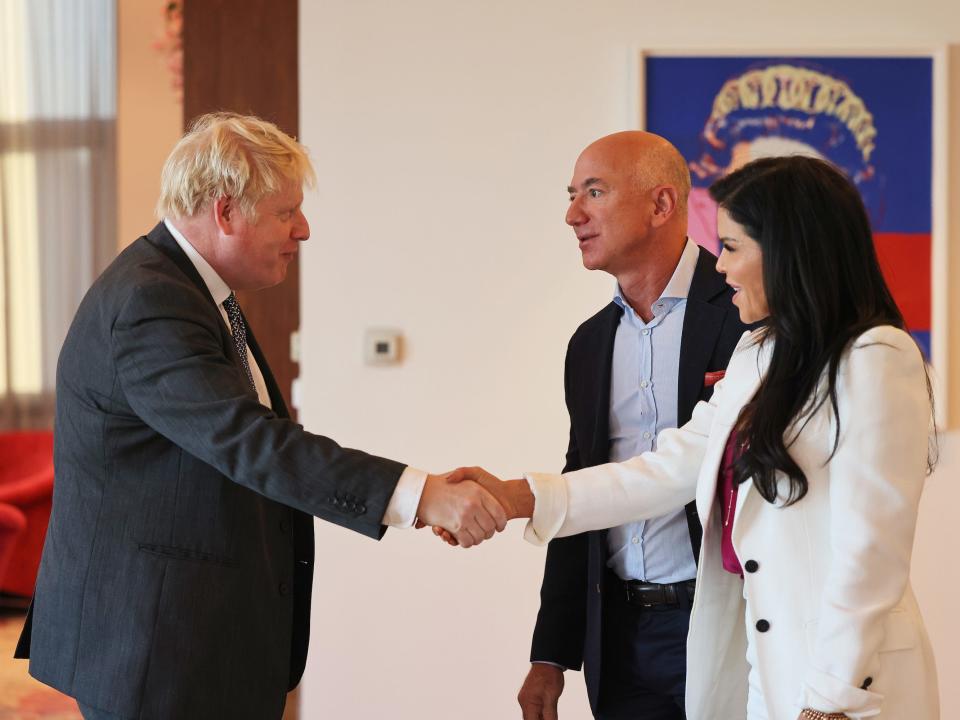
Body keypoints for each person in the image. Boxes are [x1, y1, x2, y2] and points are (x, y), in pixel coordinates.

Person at [14, 113, 507, 720]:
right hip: (157, 652)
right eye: (286, 212)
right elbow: (252, 442)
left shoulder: (192, 291)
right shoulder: (153, 300)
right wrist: (419, 495)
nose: (303, 229)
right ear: (225, 212)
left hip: (192, 643)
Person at [454, 156, 939, 720]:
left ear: (786, 250)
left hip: (850, 688)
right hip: (767, 675)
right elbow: (666, 469)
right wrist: (521, 498)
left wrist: (830, 702)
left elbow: (871, 552)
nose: (722, 268)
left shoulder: (876, 357)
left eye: (732, 248)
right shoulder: (759, 352)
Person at [518, 131, 746, 720]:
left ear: (661, 205)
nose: (573, 215)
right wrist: (551, 655)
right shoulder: (589, 345)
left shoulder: (747, 316)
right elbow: (583, 487)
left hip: (727, 625)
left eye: (594, 192)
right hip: (617, 640)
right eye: (572, 195)